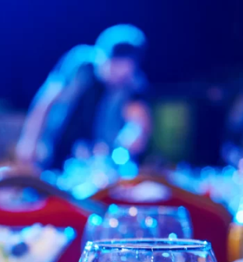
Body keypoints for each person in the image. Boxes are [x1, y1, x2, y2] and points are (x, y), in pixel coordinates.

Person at [16, 25, 151, 170]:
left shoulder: (133, 84)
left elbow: (138, 120)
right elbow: (46, 102)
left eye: (124, 73)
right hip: (59, 149)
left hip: (98, 160)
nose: (118, 79)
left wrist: (134, 135)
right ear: (101, 57)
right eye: (114, 70)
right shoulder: (81, 67)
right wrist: (29, 140)